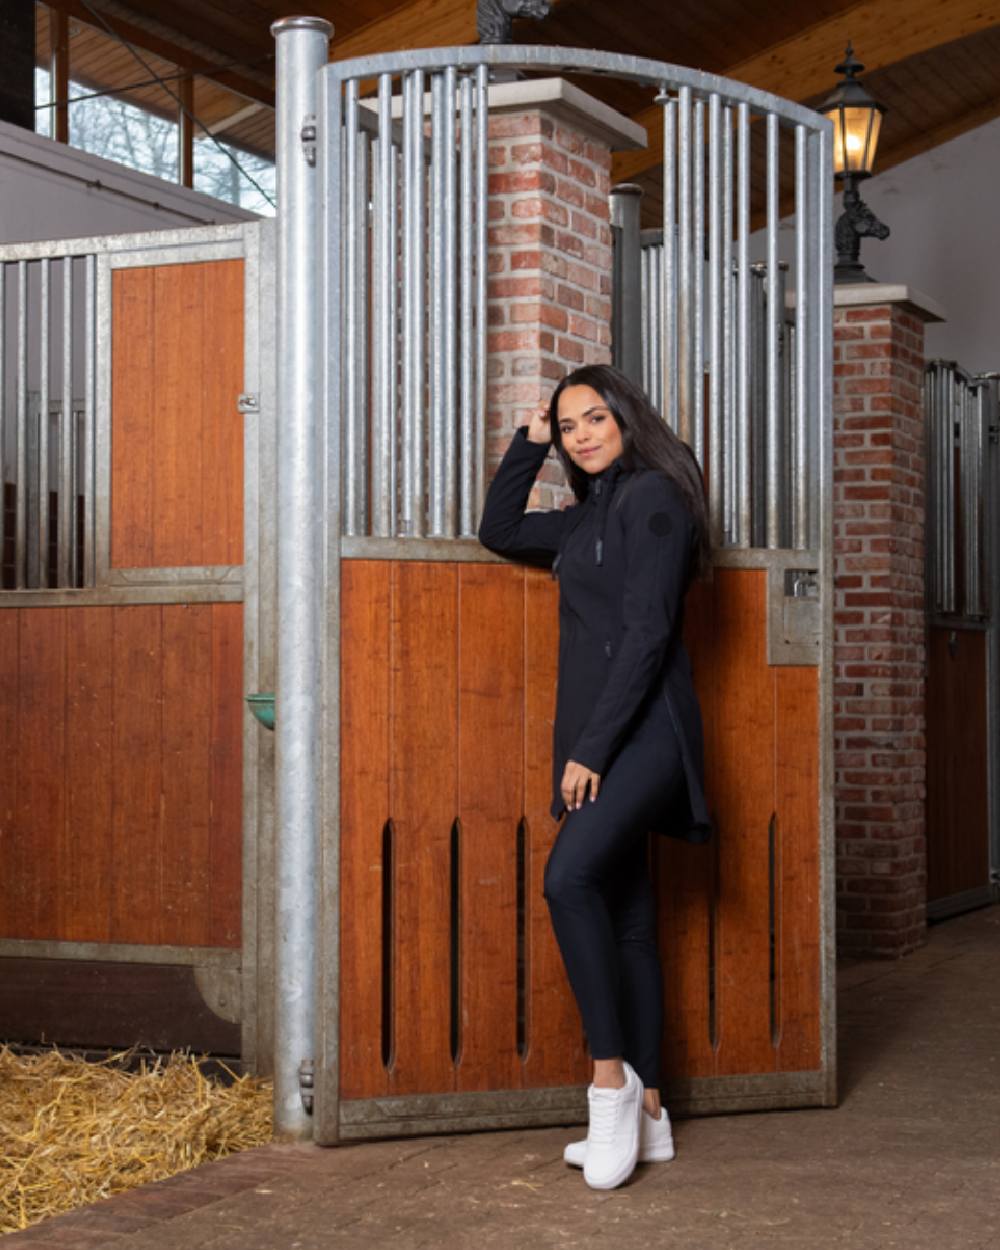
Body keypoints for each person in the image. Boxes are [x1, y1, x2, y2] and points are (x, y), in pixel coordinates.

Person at [478, 364, 712, 1190]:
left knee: (567, 881)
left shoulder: (654, 498)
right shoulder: (586, 518)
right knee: (629, 916)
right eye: (567, 425)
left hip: (643, 736)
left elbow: (649, 633)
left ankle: (610, 1086)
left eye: (592, 419)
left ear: (624, 418)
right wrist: (526, 442)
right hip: (601, 737)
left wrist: (594, 749)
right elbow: (499, 529)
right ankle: (653, 1118)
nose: (580, 435)